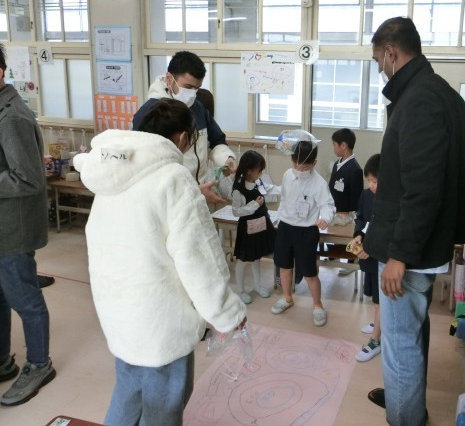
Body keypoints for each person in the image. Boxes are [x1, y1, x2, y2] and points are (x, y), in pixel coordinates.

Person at [73, 98, 247, 425]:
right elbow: (199, 260)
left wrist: (193, 190)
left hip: (118, 310)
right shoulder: (174, 179)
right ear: (182, 137)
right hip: (161, 319)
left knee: (128, 391)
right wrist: (226, 313)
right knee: (163, 405)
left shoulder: (110, 173)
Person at [363, 17, 465, 426]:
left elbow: (423, 187)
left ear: (391, 52)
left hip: (408, 251)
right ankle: (405, 401)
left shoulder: (419, 100)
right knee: (412, 332)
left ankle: (405, 417)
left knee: (399, 344)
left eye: (379, 60)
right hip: (423, 244)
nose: (380, 69)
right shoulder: (443, 94)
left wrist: (399, 255)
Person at [0, 43, 56, 407]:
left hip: (13, 230)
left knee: (24, 298)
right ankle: (3, 361)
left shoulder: (12, 118)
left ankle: (39, 364)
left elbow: (29, 179)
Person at [132, 51, 235, 204]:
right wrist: (193, 192)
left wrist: (227, 159)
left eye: (197, 88)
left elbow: (217, 140)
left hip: (198, 191)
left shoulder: (198, 108)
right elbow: (145, 169)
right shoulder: (150, 113)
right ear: (169, 79)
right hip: (168, 198)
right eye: (188, 87)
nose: (192, 94)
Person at [271, 137, 335, 327]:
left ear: (314, 163)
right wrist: (280, 216)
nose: (299, 168)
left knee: (309, 272)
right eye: (295, 163)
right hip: (285, 227)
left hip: (307, 230)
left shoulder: (319, 183)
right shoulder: (287, 175)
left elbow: (327, 205)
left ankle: (317, 305)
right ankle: (287, 297)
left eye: (304, 166)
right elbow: (284, 198)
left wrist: (325, 218)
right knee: (284, 266)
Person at [231, 150, 279, 304]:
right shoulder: (238, 189)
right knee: (243, 259)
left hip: (261, 224)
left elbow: (269, 189)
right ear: (249, 170)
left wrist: (286, 188)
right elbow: (236, 211)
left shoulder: (258, 182)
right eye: (259, 170)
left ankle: (257, 285)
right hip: (248, 228)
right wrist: (254, 204)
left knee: (256, 257)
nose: (261, 173)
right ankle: (240, 290)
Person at [350, 154, 382, 362]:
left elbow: (385, 230)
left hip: (380, 254)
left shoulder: (391, 200)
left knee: (381, 299)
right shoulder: (366, 195)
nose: (371, 185)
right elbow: (361, 218)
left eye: (375, 181)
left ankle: (376, 340)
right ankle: (378, 321)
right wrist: (358, 235)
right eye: (369, 181)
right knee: (373, 295)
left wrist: (370, 246)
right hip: (367, 253)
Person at [328, 128, 363, 275]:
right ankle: (334, 254)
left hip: (347, 213)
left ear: (344, 145)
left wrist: (350, 213)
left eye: (334, 144)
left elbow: (356, 197)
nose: (333, 147)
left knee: (349, 238)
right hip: (336, 209)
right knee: (334, 235)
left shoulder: (355, 169)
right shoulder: (337, 163)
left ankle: (352, 262)